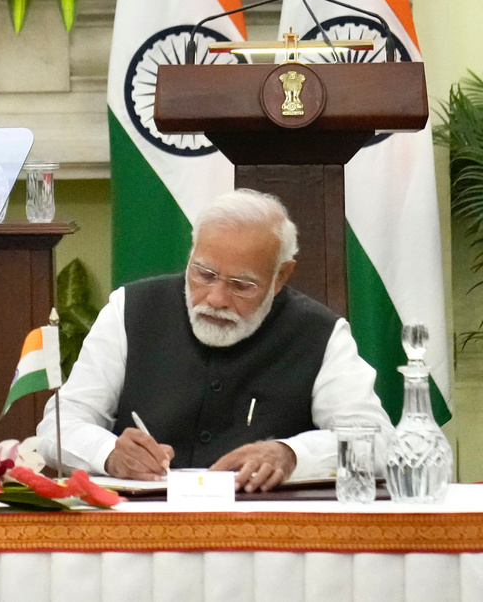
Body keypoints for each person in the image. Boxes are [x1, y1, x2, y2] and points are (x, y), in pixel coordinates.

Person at [37, 189, 393, 492]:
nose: (216, 298)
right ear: (191, 254)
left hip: (266, 536)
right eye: (204, 274)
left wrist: (290, 454)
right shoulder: (129, 310)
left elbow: (376, 440)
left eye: (242, 285)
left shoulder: (319, 332)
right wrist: (109, 453)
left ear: (281, 275)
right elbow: (60, 424)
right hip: (138, 531)